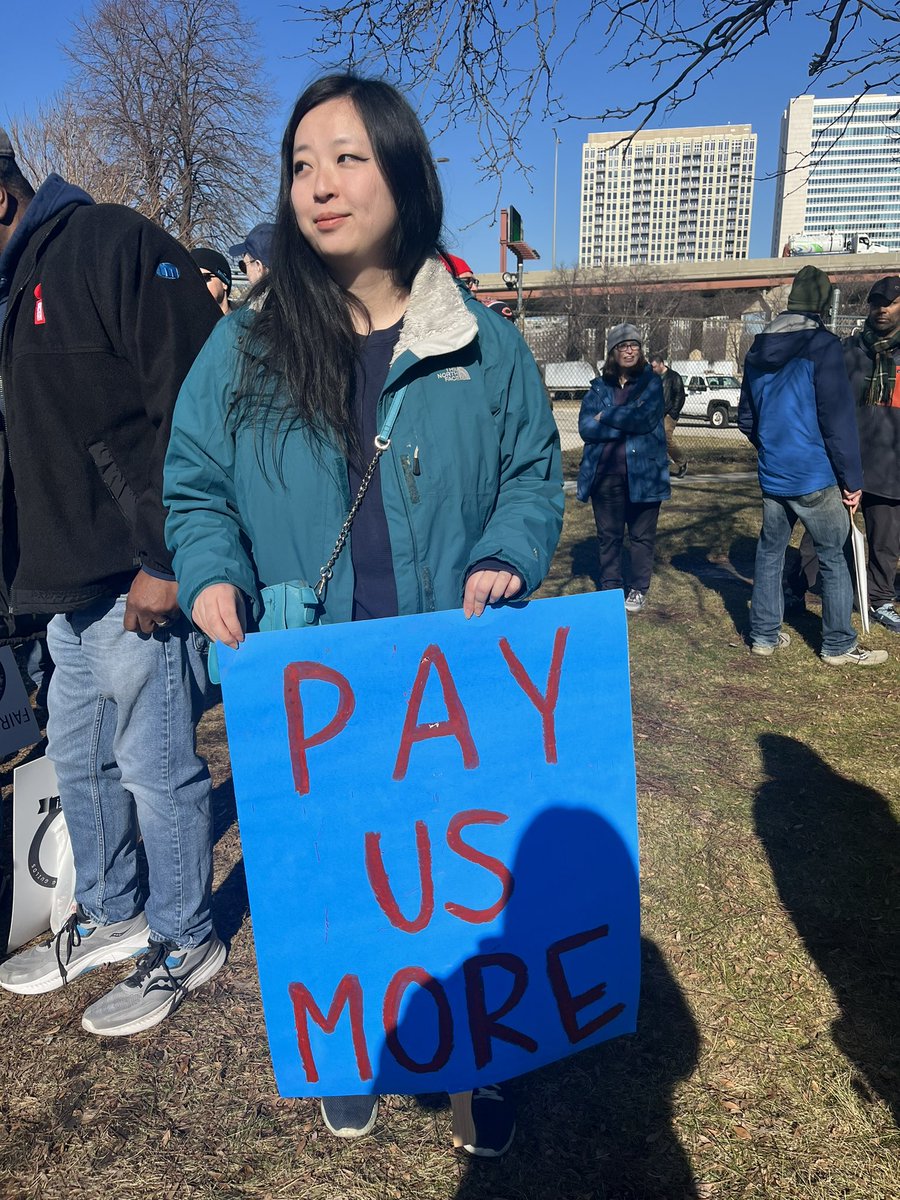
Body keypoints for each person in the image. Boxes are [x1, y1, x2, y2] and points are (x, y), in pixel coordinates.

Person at [163, 75, 563, 1154]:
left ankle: (483, 1063)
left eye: (346, 157)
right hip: (315, 677)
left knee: (464, 877)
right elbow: (195, 482)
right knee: (336, 874)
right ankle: (349, 1047)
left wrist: (505, 554)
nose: (319, 185)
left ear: (403, 172)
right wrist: (209, 570)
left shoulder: (483, 344)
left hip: (451, 683)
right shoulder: (242, 347)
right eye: (301, 163)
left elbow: (533, 474)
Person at [0, 128, 227, 1033]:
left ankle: (186, 937)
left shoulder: (112, 244)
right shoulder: (9, 288)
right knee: (81, 762)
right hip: (53, 582)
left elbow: (203, 397)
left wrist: (170, 557)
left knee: (154, 766)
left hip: (134, 576)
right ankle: (114, 908)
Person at [737, 265, 887, 667]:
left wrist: (771, 448)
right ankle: (838, 644)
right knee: (835, 555)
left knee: (769, 555)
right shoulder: (824, 346)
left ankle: (764, 636)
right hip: (815, 476)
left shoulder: (757, 347)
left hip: (774, 473)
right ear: (822, 305)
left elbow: (746, 419)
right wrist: (851, 479)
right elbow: (836, 420)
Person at [575, 324, 669, 614]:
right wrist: (622, 425)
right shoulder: (598, 387)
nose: (629, 350)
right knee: (609, 537)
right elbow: (585, 427)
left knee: (641, 537)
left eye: (634, 345)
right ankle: (610, 588)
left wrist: (608, 416)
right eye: (622, 346)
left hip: (644, 474)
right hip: (606, 474)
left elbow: (644, 420)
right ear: (613, 352)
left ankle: (638, 588)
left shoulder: (651, 383)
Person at [843, 276, 900, 632]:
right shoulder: (849, 351)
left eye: (891, 302)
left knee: (884, 543)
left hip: (891, 468)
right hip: (846, 463)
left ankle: (879, 598)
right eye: (876, 302)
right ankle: (797, 587)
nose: (881, 308)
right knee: (823, 538)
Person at [650, 353, 688, 477]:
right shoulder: (653, 378)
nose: (653, 369)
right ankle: (660, 465)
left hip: (669, 413)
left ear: (661, 364)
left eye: (655, 366)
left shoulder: (673, 377)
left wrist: (673, 412)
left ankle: (682, 462)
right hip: (656, 413)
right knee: (654, 439)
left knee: (666, 437)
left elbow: (680, 396)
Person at [228, 221, 275, 286]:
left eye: (244, 266)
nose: (246, 274)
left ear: (258, 266)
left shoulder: (266, 295)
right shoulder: (291, 291)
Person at [191, 246, 234, 315]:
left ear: (224, 283)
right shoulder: (182, 324)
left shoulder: (248, 322)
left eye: (204, 278)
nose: (197, 285)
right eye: (192, 280)